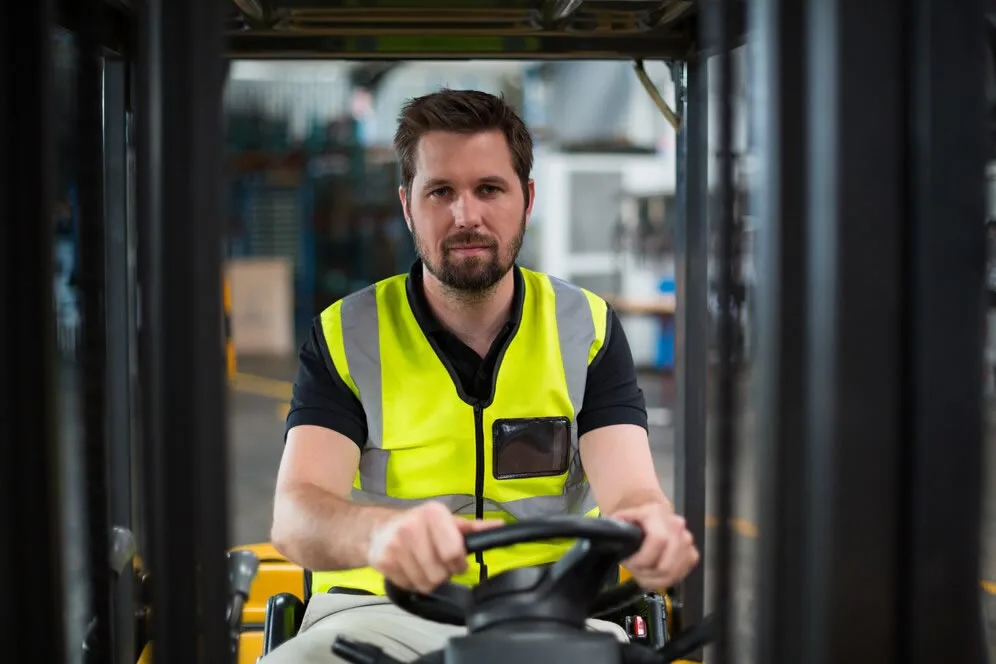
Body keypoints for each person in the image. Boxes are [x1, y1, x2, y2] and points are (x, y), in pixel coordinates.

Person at [263, 89, 700, 663]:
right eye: (440, 191)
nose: (465, 216)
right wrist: (380, 535)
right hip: (379, 614)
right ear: (406, 205)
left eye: (489, 189)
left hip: (556, 612)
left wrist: (651, 528)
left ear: (527, 199)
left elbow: (632, 493)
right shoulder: (347, 335)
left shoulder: (585, 328)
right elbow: (296, 517)